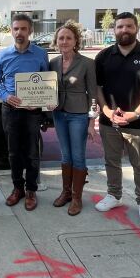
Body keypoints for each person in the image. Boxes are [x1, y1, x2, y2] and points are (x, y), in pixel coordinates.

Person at [94, 12, 140, 227]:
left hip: (139, 123)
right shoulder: (104, 56)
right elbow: (97, 88)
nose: (124, 30)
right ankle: (114, 195)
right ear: (114, 30)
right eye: (120, 27)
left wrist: (136, 113)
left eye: (129, 26)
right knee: (111, 161)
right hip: (110, 122)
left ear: (136, 29)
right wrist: (106, 111)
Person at [0, 13, 49, 211]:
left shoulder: (41, 54)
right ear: (11, 31)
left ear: (30, 30)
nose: (19, 32)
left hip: (32, 111)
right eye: (16, 28)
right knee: (13, 152)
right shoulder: (2, 55)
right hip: (11, 109)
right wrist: (6, 96)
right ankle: (18, 188)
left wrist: (40, 102)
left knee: (32, 152)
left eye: (23, 29)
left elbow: (47, 82)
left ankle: (31, 189)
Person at [49, 22, 97, 216]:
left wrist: (92, 122)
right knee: (65, 155)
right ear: (56, 41)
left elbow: (93, 94)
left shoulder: (87, 63)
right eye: (61, 38)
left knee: (78, 156)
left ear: (76, 40)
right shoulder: (53, 63)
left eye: (69, 38)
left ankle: (77, 197)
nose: (65, 41)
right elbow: (47, 89)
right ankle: (66, 192)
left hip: (78, 115)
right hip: (59, 113)